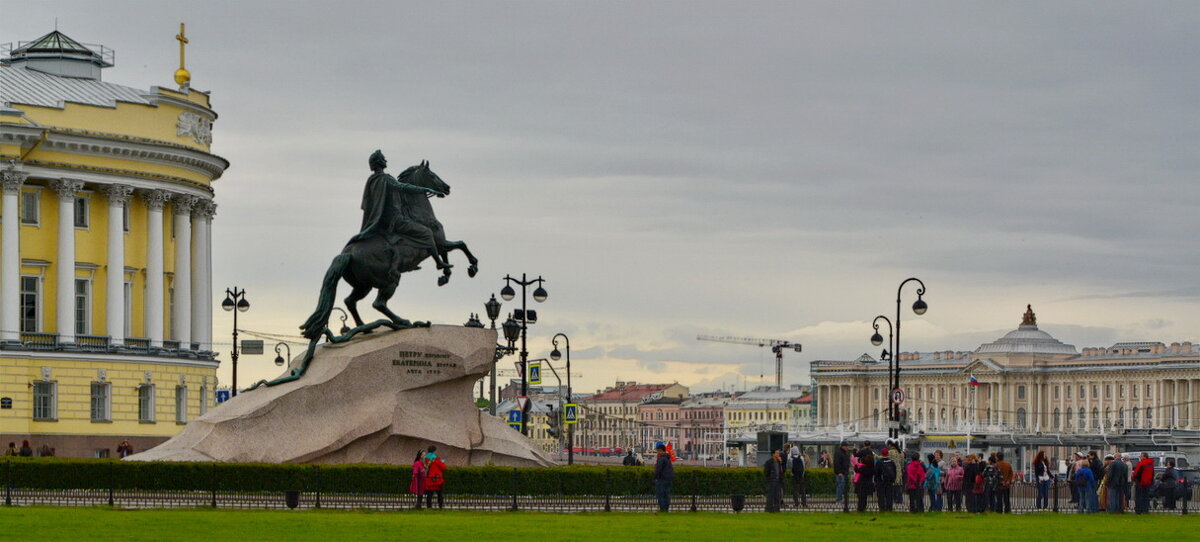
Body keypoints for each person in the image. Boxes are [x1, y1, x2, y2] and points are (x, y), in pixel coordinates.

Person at [349, 150, 451, 270]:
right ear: (380, 162)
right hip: (395, 220)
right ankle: (439, 262)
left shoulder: (372, 180)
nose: (385, 160)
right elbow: (403, 187)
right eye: (383, 158)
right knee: (427, 233)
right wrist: (425, 189)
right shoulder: (385, 178)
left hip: (381, 221)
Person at [854, 441, 876, 512]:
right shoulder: (871, 452)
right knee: (865, 496)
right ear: (869, 445)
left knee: (861, 495)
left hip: (861, 477)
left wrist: (854, 450)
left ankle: (860, 508)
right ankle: (863, 507)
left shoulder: (862, 452)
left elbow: (855, 455)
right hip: (869, 474)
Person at [875, 446, 897, 512]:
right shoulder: (891, 462)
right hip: (890, 481)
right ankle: (889, 508)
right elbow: (895, 471)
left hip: (881, 481)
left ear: (881, 454)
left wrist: (876, 481)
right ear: (888, 454)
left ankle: (882, 508)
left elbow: (876, 472)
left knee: (881, 496)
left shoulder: (879, 462)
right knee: (889, 495)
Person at [653, 443, 674, 512]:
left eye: (659, 451)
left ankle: (663, 509)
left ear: (662, 451)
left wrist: (655, 477)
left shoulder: (661, 459)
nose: (658, 453)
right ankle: (666, 508)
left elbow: (658, 470)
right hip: (668, 479)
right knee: (666, 494)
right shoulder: (668, 459)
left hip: (661, 479)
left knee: (661, 494)